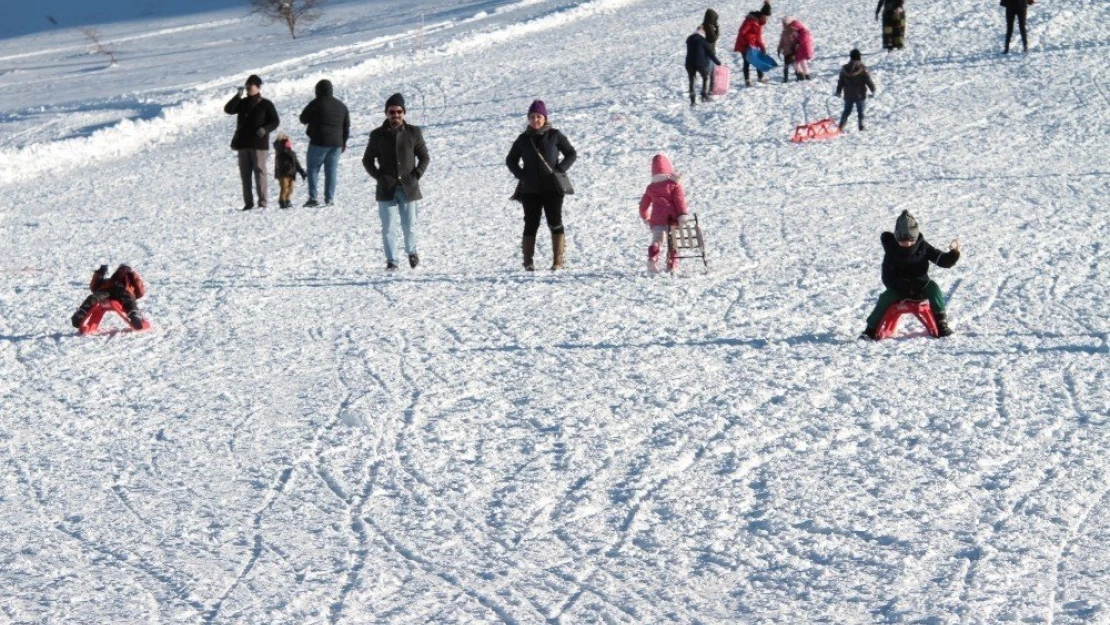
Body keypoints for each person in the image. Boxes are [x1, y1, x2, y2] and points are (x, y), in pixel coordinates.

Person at [861, 210, 961, 340]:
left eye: (910, 241)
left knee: (934, 288)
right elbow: (887, 276)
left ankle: (942, 325)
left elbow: (942, 260)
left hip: (921, 285)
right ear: (897, 238)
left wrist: (954, 252)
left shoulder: (923, 246)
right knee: (885, 298)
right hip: (899, 289)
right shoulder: (892, 250)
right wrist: (897, 284)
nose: (907, 244)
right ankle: (870, 330)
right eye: (903, 241)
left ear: (915, 237)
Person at [506, 100, 578, 271]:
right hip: (530, 190)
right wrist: (521, 175)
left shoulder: (555, 135)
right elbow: (511, 160)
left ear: (545, 118)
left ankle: (558, 261)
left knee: (555, 222)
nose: (535, 120)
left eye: (538, 116)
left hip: (553, 188)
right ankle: (528, 262)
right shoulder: (523, 139)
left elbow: (571, 153)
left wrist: (560, 168)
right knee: (531, 223)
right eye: (532, 117)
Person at [362, 93, 430, 270]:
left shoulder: (414, 132)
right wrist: (379, 177)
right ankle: (392, 261)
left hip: (409, 188)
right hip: (387, 189)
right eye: (392, 112)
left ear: (403, 112)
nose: (396, 115)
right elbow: (367, 160)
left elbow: (424, 157)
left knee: (409, 225)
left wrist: (416, 175)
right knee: (388, 227)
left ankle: (411, 251)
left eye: (399, 111)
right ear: (386, 113)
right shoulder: (377, 135)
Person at [224, 74, 280, 210]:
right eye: (246, 86)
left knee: (260, 172)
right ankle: (248, 203)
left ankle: (262, 201)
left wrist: (264, 129)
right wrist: (238, 95)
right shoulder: (242, 103)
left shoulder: (265, 104)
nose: (248, 88)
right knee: (245, 174)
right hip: (243, 144)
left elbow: (275, 121)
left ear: (258, 87)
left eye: (250, 86)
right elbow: (228, 109)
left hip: (259, 144)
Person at [299, 79, 350, 207]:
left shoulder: (316, 103)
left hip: (318, 141)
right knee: (331, 170)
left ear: (318, 91)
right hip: (337, 144)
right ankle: (329, 199)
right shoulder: (342, 106)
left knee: (313, 169)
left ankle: (313, 198)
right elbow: (346, 127)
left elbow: (302, 118)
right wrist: (343, 142)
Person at [638, 154, 689, 273]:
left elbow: (643, 205)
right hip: (672, 220)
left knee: (657, 239)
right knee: (673, 241)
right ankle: (672, 264)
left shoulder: (651, 188)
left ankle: (652, 258)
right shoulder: (674, 185)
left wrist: (645, 217)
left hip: (656, 220)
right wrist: (682, 215)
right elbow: (679, 201)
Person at [71, 264, 147, 330]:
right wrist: (100, 273)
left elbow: (140, 292)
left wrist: (133, 276)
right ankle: (80, 314)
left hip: (120, 292)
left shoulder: (130, 284)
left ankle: (135, 317)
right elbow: (94, 287)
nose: (122, 271)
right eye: (121, 269)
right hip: (109, 291)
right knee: (95, 297)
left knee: (128, 300)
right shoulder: (108, 281)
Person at [835, 49, 877, 132]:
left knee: (846, 111)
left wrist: (838, 91)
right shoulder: (862, 69)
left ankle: (841, 126)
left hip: (848, 94)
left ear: (850, 57)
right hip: (860, 94)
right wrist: (873, 90)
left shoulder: (845, 68)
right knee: (860, 112)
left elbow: (841, 81)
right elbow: (868, 80)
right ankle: (861, 126)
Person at [734, 2, 772, 86]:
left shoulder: (758, 24)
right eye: (765, 17)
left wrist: (762, 47)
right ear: (761, 16)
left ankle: (761, 77)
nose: (766, 19)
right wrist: (748, 43)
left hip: (752, 46)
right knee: (746, 62)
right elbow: (742, 32)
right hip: (744, 46)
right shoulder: (750, 22)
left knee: (757, 60)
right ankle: (747, 80)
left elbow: (758, 38)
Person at [686, 25, 723, 106]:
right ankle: (703, 96)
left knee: (692, 80)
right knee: (705, 77)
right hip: (700, 63)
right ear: (703, 32)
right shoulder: (702, 40)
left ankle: (692, 101)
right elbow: (710, 53)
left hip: (689, 63)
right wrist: (718, 62)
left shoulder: (689, 39)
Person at [272, 133, 307, 209]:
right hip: (283, 173)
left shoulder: (292, 153)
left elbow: (296, 164)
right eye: (286, 141)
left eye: (288, 141)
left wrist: (302, 172)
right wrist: (282, 144)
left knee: (290, 188)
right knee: (284, 187)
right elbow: (277, 146)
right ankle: (282, 201)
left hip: (291, 173)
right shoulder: (280, 153)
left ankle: (287, 200)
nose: (288, 143)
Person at [702, 9, 721, 89]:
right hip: (709, 51)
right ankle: (710, 88)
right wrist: (717, 29)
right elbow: (713, 39)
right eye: (715, 19)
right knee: (711, 71)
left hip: (706, 51)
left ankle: (710, 87)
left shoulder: (704, 25)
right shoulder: (708, 26)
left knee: (710, 71)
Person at [777, 16, 798, 83]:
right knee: (786, 65)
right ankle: (785, 78)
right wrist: (779, 48)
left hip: (793, 51)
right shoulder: (784, 33)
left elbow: (798, 40)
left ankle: (798, 76)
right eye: (783, 24)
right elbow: (781, 41)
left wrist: (796, 46)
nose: (784, 26)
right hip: (786, 52)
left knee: (795, 64)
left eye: (785, 24)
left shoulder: (794, 32)